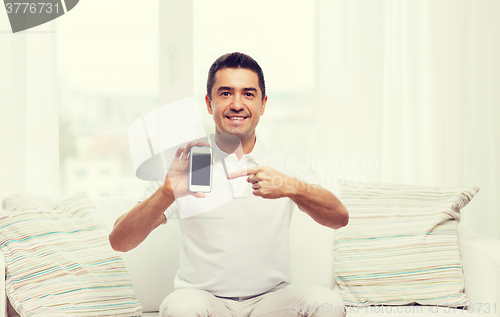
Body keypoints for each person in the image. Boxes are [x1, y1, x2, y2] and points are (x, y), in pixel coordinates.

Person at [109, 52, 349, 317]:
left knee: (328, 304)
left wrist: (292, 187)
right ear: (209, 104)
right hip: (204, 301)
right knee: (181, 307)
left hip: (272, 301)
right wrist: (167, 193)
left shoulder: (286, 166)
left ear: (263, 104)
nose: (237, 104)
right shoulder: (186, 167)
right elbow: (120, 241)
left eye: (248, 94)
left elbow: (339, 218)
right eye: (225, 93)